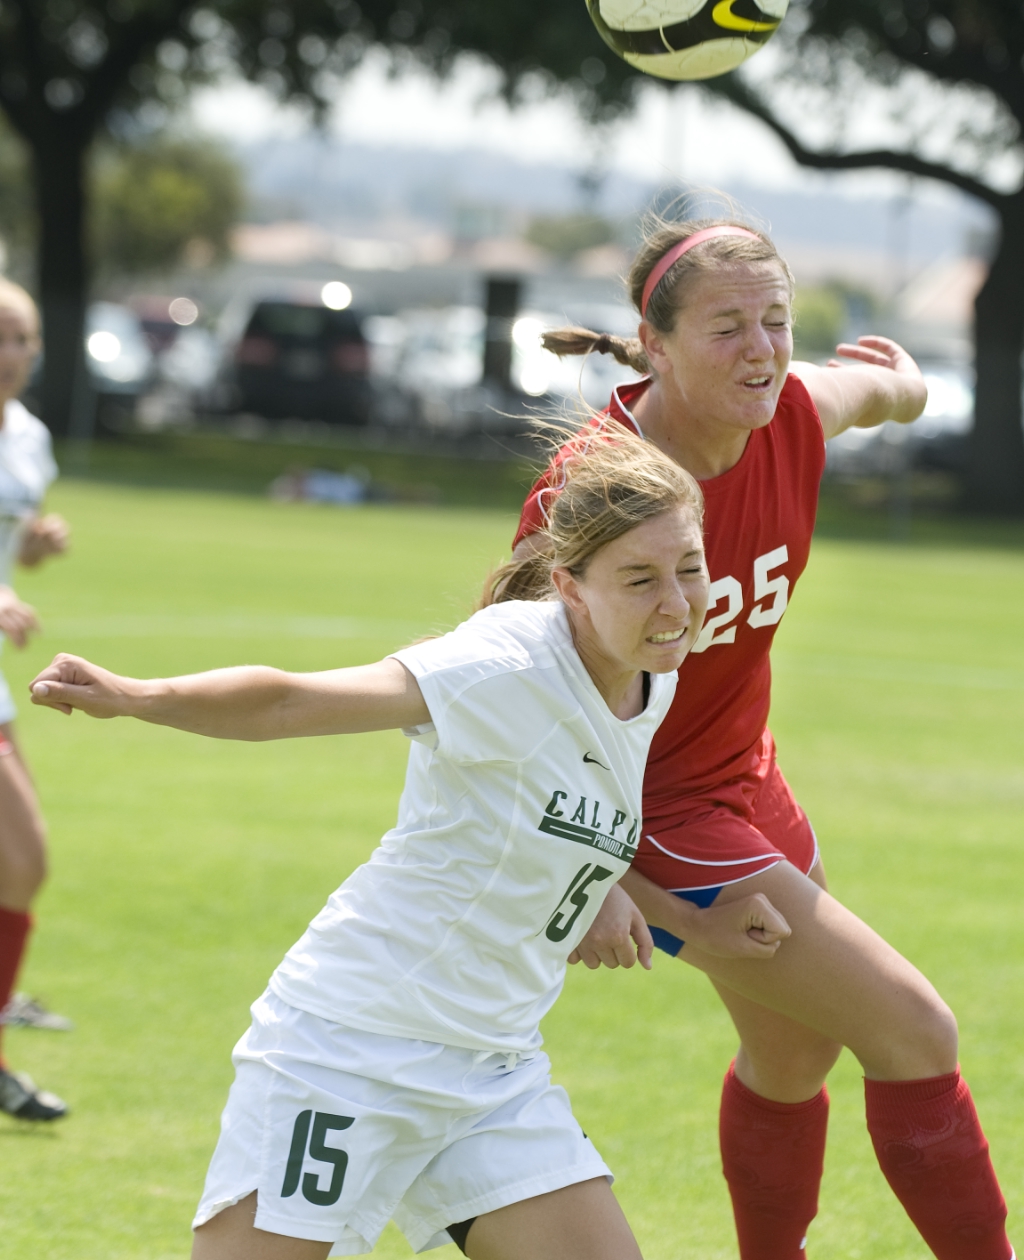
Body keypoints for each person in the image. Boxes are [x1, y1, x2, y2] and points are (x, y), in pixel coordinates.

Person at [29, 433, 789, 1260]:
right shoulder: (501, 663)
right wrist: (141, 696)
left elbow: (546, 815)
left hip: (492, 1072)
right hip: (351, 1047)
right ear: (569, 587)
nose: (677, 601)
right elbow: (290, 702)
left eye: (688, 566)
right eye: (640, 579)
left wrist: (679, 920)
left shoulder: (654, 675)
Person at [510, 220, 1014, 1260]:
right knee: (914, 1031)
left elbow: (873, 391)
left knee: (791, 1057)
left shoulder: (789, 408)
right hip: (652, 810)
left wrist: (906, 385)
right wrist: (600, 876)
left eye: (776, 322)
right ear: (652, 345)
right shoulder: (595, 487)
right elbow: (508, 700)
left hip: (746, 783)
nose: (762, 348)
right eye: (727, 326)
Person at [0, 278, 71, 1123]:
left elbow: (11, 550)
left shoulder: (29, 439)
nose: (9, 353)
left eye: (20, 337)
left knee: (20, 862)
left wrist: (32, 549)